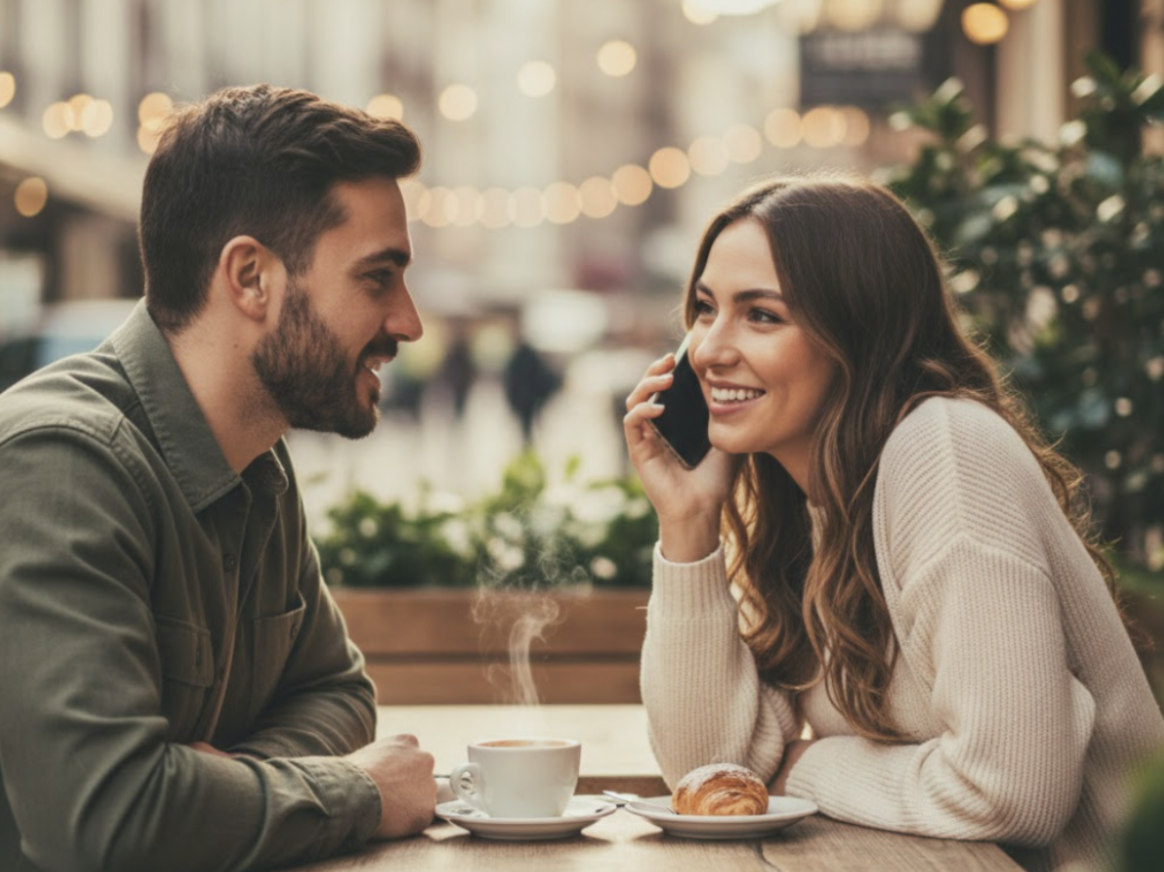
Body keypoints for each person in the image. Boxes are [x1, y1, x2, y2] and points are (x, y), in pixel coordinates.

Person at [623, 174, 1164, 872]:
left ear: (857, 332)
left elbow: (1012, 791)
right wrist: (690, 524)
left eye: (762, 315)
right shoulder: (803, 502)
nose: (709, 350)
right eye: (704, 309)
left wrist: (808, 771)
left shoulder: (945, 452)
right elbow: (714, 776)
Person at [0, 84, 438, 872]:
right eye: (378, 277)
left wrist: (225, 787)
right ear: (250, 278)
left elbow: (339, 693)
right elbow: (103, 821)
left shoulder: (257, 462)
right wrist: (356, 793)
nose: (409, 321)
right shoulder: (61, 462)